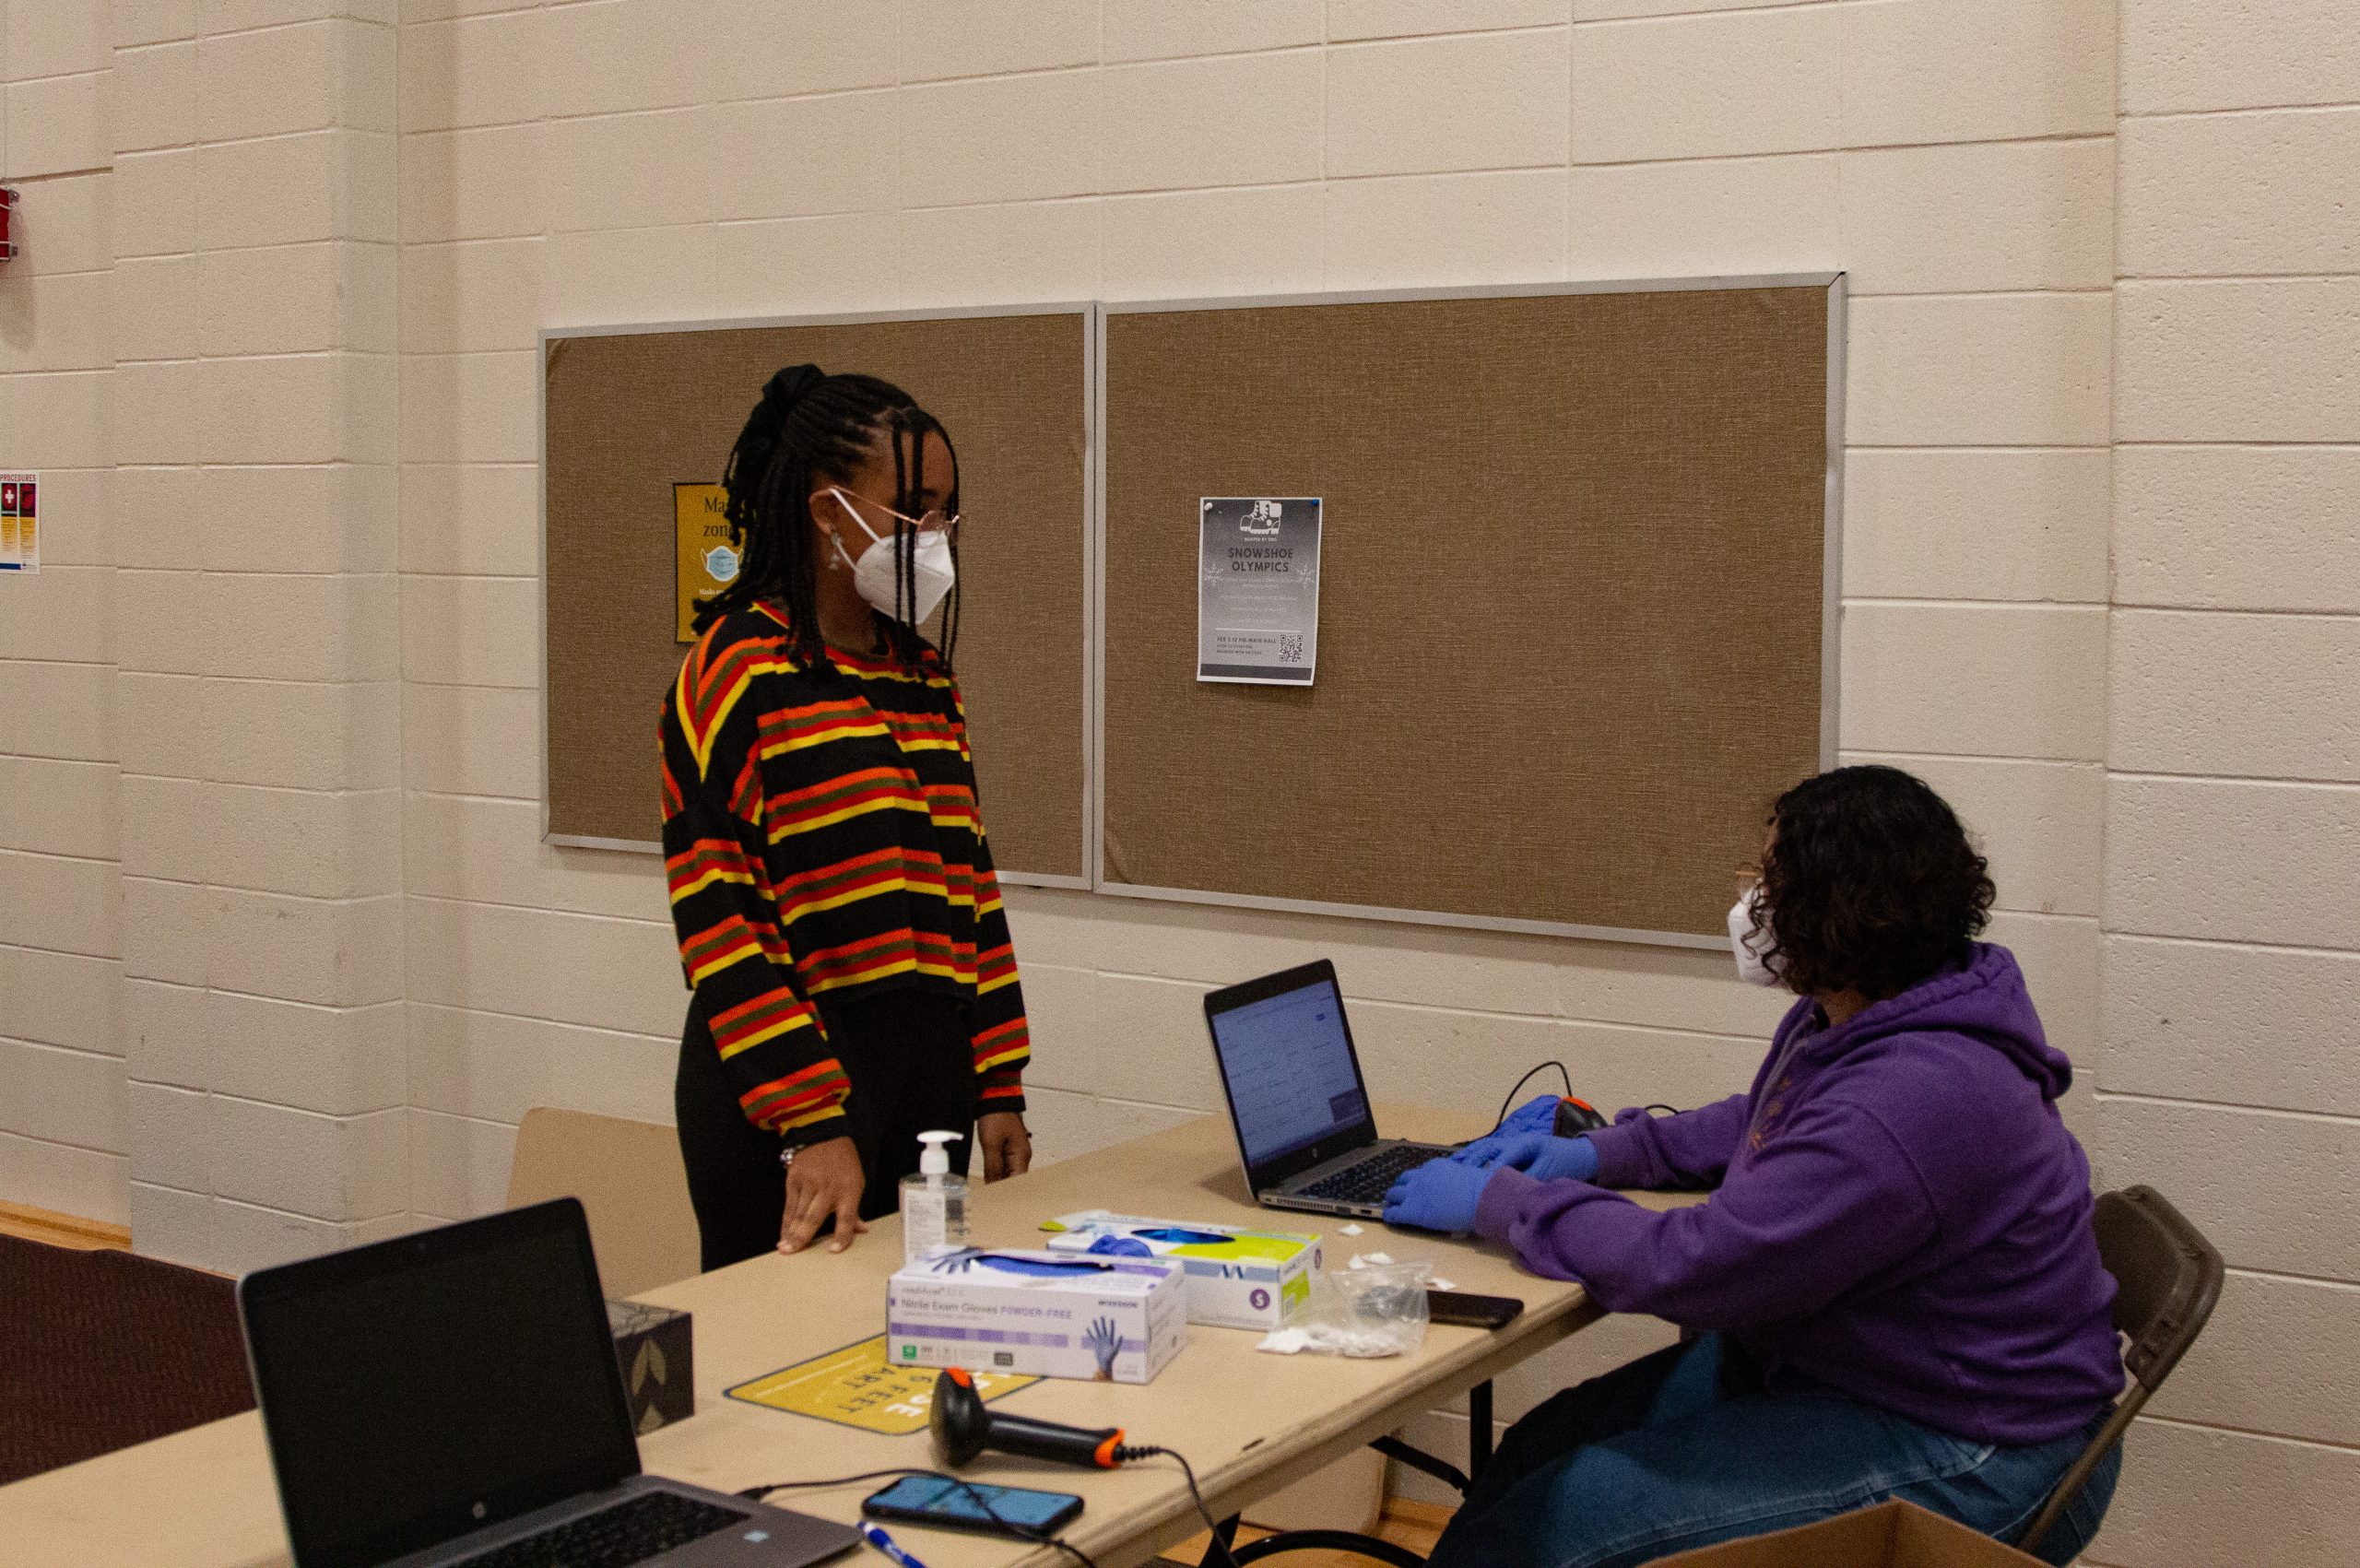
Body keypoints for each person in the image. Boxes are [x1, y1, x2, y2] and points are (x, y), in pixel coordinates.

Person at [1384, 766, 2123, 1568]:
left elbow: (1699, 1267)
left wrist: (1505, 1201)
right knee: (1536, 1448)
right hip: (1866, 1371)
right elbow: (1766, 1122)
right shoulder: (1880, 1012)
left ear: (1836, 910)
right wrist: (1605, 1150)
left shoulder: (1910, 1097)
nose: (1751, 907)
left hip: (1974, 1438)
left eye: (1769, 882)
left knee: (1542, 1533)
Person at [660, 365, 1032, 1271]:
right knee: (786, 1353)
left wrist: (998, 1080)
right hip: (793, 1088)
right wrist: (811, 1120)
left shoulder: (921, 677)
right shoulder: (737, 670)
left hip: (927, 1074)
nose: (936, 534)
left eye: (947, 509)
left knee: (910, 1339)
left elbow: (968, 895)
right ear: (829, 512)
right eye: (914, 507)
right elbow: (721, 925)